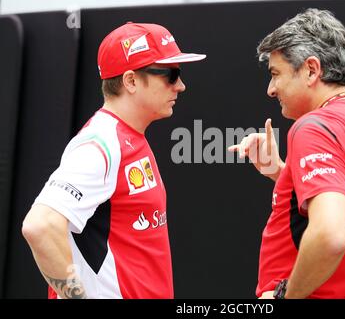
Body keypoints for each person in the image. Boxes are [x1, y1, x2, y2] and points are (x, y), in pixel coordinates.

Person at [229, 8, 345, 299]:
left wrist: (287, 296)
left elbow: (332, 234)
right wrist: (283, 173)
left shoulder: (314, 127)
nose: (270, 90)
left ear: (312, 70)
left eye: (276, 75)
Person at [21, 22, 206, 299]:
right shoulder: (101, 143)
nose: (180, 85)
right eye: (170, 74)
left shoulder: (126, 136)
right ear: (131, 81)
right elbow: (40, 226)